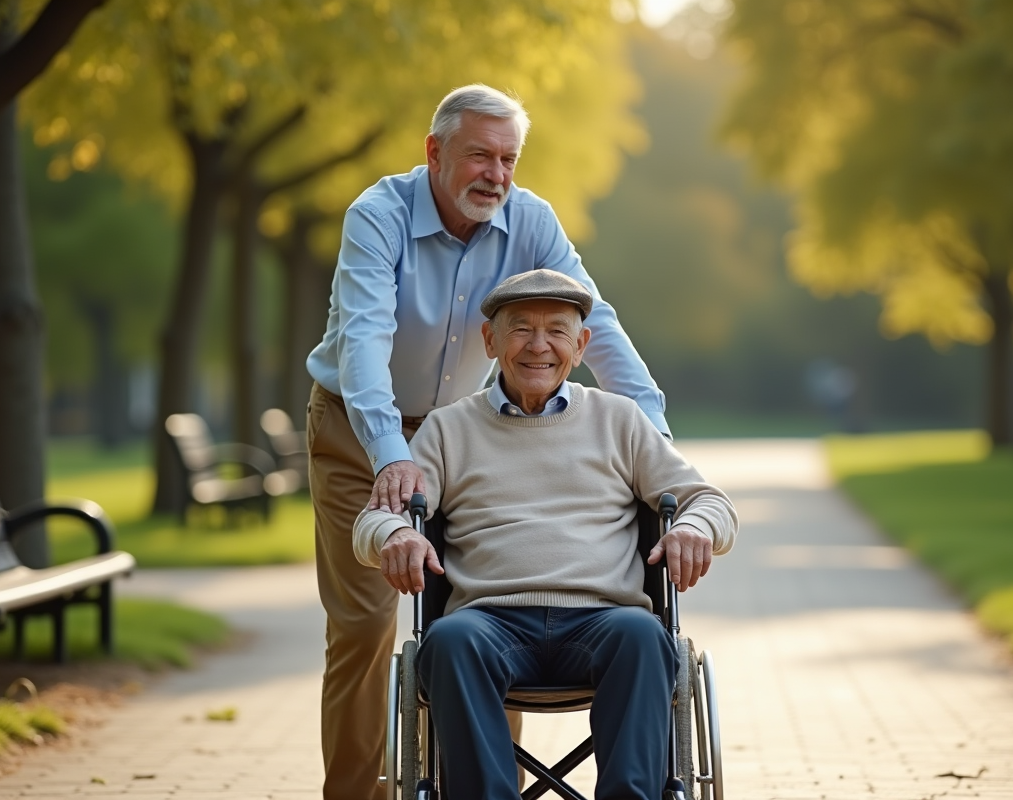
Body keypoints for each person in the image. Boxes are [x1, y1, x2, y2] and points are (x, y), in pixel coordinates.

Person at [305, 85, 673, 799]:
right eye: (479, 155)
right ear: (435, 153)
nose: (495, 175)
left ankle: (488, 785)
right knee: (365, 627)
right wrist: (391, 458)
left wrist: (655, 439)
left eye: (508, 159)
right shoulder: (377, 216)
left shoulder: (528, 219)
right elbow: (363, 347)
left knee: (488, 597)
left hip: (470, 434)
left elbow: (600, 326)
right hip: (359, 428)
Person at [352, 271, 739, 800]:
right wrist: (396, 536)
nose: (539, 346)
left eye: (557, 331)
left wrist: (693, 527)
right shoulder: (448, 428)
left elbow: (710, 501)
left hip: (604, 621)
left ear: (581, 346)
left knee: (646, 637)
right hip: (489, 624)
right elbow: (371, 521)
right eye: (520, 330)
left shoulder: (620, 420)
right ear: (490, 342)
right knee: (447, 641)